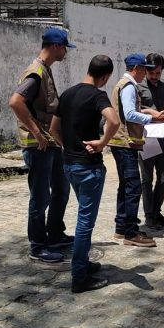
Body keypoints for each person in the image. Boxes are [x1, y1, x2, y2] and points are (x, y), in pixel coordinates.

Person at [50, 55, 120, 293]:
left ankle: (84, 263)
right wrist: (102, 142)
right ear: (106, 76)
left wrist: (67, 146)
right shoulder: (98, 95)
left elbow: (53, 128)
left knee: (83, 218)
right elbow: (114, 120)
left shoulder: (68, 93)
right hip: (89, 167)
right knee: (85, 223)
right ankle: (79, 276)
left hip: (69, 164)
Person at [8, 27, 74, 263]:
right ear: (56, 46)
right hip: (39, 146)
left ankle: (55, 234)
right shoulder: (36, 72)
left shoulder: (44, 70)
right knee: (40, 197)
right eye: (65, 47)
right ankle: (37, 246)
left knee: (61, 189)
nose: (66, 52)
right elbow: (15, 102)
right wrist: (37, 133)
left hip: (51, 143)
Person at [108, 53, 164, 247]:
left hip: (131, 141)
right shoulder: (129, 86)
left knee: (127, 186)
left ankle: (122, 227)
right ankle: (131, 232)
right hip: (127, 141)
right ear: (137, 69)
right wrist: (151, 118)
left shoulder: (127, 84)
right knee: (134, 186)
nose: (148, 73)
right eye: (145, 69)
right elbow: (129, 113)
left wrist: (150, 113)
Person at [137, 53, 164, 229]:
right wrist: (152, 114)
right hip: (147, 136)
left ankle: (157, 211)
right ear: (145, 71)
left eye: (158, 73)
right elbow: (133, 111)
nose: (154, 76)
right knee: (147, 178)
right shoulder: (137, 87)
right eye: (151, 73)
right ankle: (149, 215)